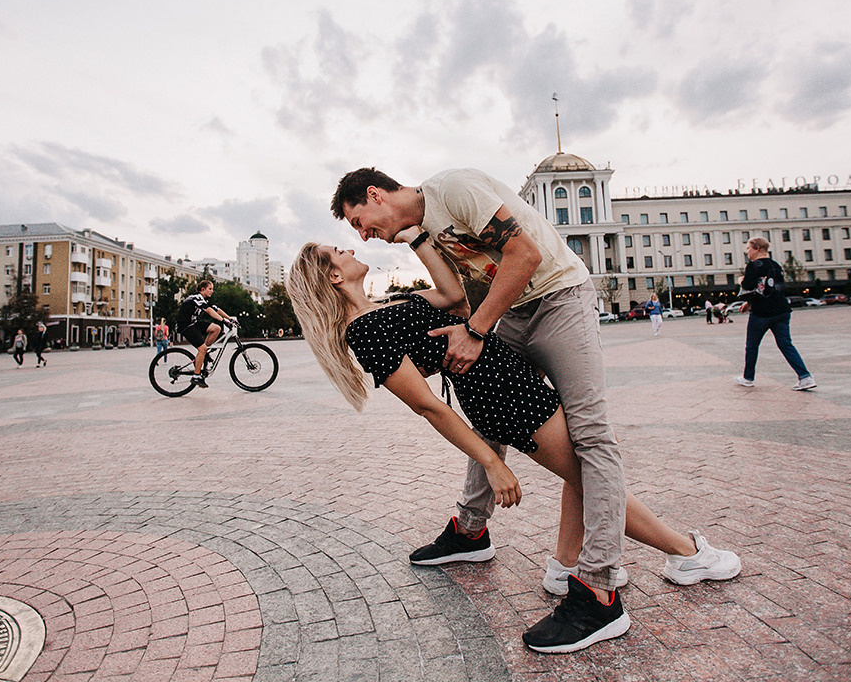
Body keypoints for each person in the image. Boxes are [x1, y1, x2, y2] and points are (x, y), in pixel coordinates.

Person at [289, 235, 741, 653]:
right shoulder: (365, 332)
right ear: (334, 276)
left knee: (587, 472)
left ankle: (566, 566)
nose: (350, 249)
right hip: (505, 398)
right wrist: (491, 461)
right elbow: (428, 406)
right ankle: (687, 553)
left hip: (511, 381)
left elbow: (454, 298)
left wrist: (419, 240)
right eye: (339, 252)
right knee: (594, 477)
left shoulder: (387, 305)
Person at [731, 237, 816, 390]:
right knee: (786, 344)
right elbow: (769, 289)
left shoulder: (753, 266)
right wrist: (749, 303)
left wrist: (741, 280)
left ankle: (748, 377)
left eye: (748, 248)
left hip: (762, 313)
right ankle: (805, 377)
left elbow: (749, 286)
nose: (747, 252)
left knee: (752, 345)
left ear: (757, 248)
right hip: (782, 311)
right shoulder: (776, 265)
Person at [175, 280, 234, 388]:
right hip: (185, 326)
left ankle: (205, 354)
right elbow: (209, 311)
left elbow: (217, 309)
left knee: (216, 328)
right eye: (210, 289)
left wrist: (230, 319)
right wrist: (223, 321)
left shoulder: (204, 299)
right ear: (202, 289)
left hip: (193, 323)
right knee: (202, 349)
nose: (212, 291)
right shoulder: (196, 298)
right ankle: (196, 376)